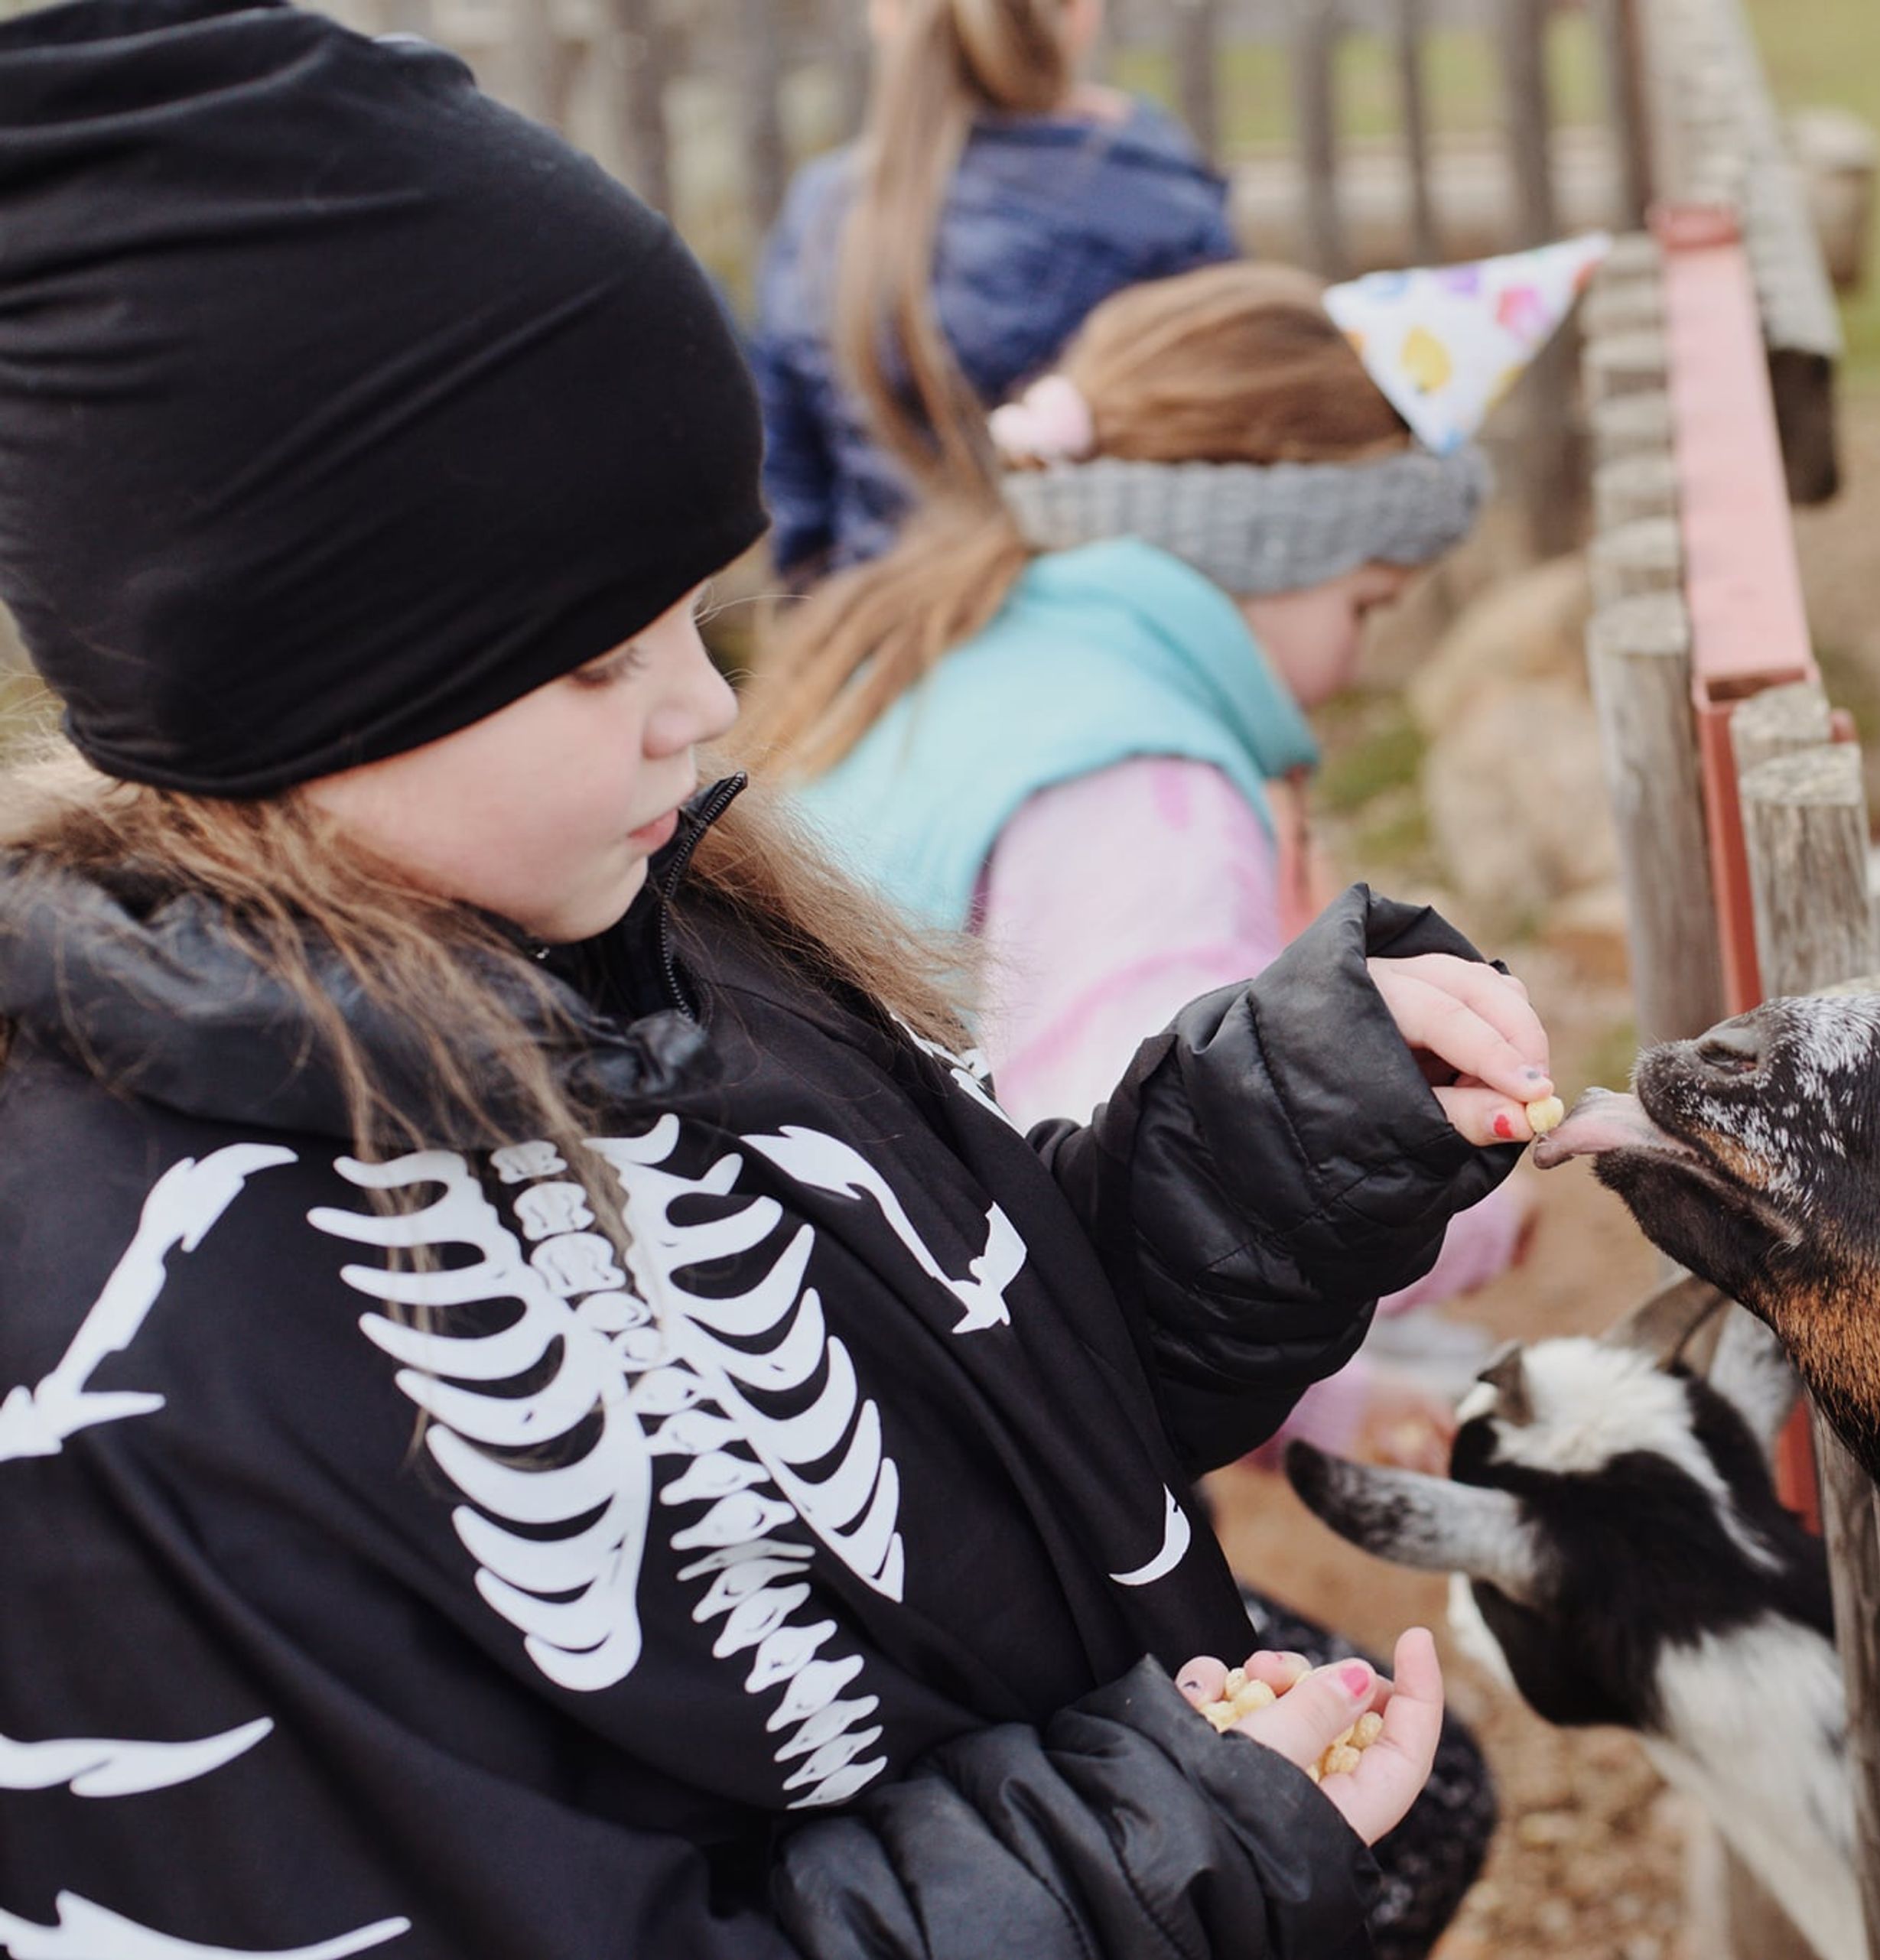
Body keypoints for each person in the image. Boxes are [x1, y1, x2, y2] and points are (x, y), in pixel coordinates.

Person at [0, 5, 1557, 1954]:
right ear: (305, 671)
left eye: (695, 618)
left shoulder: (685, 953)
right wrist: (1133, 1863)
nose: (707, 707)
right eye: (598, 659)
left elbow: (980, 1380)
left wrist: (1272, 1147)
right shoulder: (114, 1383)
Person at [744, 253, 1605, 1470]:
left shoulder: (975, 651)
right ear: (1276, 548)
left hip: (841, 1341)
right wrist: (1455, 1209)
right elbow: (1152, 1216)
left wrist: (1332, 1401)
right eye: (1367, 606)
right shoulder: (1143, 792)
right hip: (928, 1434)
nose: (1356, 669)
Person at [753, 0, 1237, 580]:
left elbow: (793, 475)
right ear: (1080, 14)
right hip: (1104, 629)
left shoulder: (824, 211)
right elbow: (1226, 450)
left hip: (881, 624)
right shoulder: (1158, 203)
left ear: (884, 14)